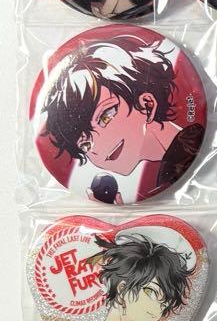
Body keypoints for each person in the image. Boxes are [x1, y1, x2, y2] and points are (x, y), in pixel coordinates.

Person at [40, 33, 204, 204]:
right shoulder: (170, 168)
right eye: (85, 144)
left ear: (147, 104)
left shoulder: (187, 151)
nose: (97, 147)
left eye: (105, 117)